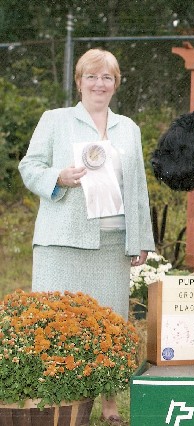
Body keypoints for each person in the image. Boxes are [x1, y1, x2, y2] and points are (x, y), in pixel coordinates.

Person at [19, 48, 155, 425]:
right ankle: (53, 399)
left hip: (111, 245)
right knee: (53, 325)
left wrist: (141, 239)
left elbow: (138, 187)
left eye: (107, 77)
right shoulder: (55, 120)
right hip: (61, 242)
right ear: (79, 82)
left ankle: (109, 402)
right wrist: (57, 178)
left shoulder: (129, 128)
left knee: (110, 326)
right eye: (91, 77)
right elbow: (29, 166)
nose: (99, 84)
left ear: (116, 84)